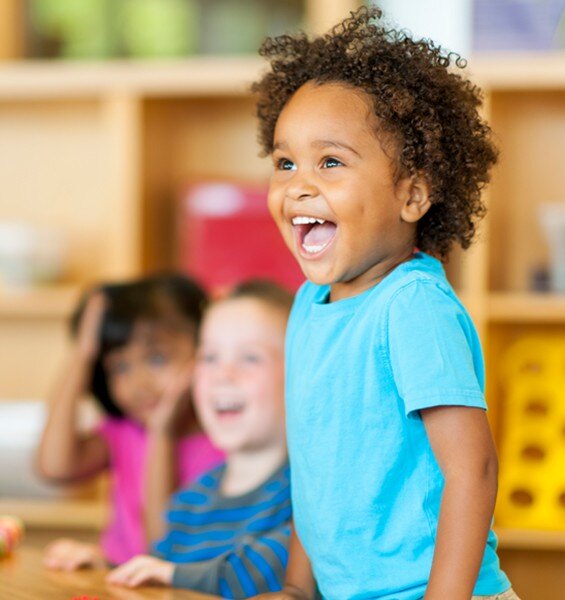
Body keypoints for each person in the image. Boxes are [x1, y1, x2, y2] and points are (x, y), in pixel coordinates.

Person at [250, 7, 520, 600]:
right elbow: (316, 473)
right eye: (285, 162)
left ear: (413, 193)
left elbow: (471, 473)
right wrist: (297, 591)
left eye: (330, 162)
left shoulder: (411, 306)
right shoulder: (308, 304)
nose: (298, 183)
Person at [106, 280, 293, 598]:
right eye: (209, 358)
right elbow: (151, 568)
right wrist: (101, 566)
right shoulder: (189, 500)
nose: (223, 373)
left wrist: (171, 574)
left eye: (249, 358)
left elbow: (267, 569)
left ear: (302, 374)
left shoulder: (307, 493)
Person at [37, 273, 224, 569]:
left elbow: (162, 550)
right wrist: (82, 355)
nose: (138, 384)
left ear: (207, 349)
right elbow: (54, 466)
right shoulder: (122, 434)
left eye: (157, 359)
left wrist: (163, 433)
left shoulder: (227, 443)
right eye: (119, 366)